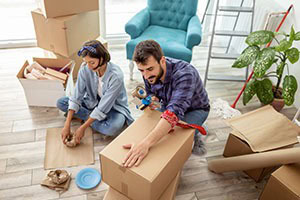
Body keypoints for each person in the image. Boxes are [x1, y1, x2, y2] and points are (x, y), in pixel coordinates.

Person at [122, 40, 210, 168]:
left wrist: (145, 144)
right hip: (169, 103)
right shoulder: (149, 71)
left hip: (195, 109)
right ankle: (192, 129)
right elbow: (152, 92)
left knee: (175, 139)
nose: (146, 76)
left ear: (162, 60)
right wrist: (153, 98)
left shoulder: (185, 74)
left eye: (149, 69)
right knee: (161, 129)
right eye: (141, 71)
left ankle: (195, 133)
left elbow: (173, 112)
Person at [57, 40, 134, 145]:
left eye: (92, 62)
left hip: (113, 108)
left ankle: (85, 117)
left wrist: (83, 128)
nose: (88, 66)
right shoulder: (85, 68)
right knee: (61, 102)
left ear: (102, 58)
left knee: (113, 128)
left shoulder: (116, 76)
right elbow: (76, 96)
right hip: (92, 102)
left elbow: (104, 106)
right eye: (86, 62)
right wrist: (67, 125)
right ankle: (91, 118)